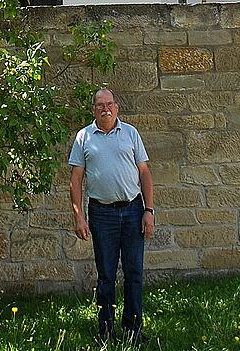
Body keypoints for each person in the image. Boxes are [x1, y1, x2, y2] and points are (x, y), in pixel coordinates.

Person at [69, 88, 154, 345]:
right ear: (94, 109)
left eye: (109, 104)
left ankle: (133, 329)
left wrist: (149, 211)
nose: (105, 109)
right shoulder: (84, 137)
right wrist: (78, 216)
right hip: (101, 213)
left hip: (132, 211)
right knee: (106, 275)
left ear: (117, 107)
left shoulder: (130, 133)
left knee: (134, 273)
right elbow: (75, 180)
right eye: (100, 105)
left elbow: (145, 173)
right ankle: (105, 331)